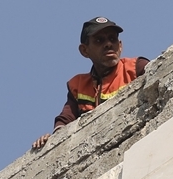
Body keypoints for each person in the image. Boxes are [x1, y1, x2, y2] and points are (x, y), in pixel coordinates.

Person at [31, 17, 149, 150]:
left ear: (120, 46)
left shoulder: (136, 68)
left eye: (112, 39)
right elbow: (65, 121)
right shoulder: (78, 85)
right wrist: (51, 140)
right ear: (84, 50)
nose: (108, 44)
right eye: (99, 40)